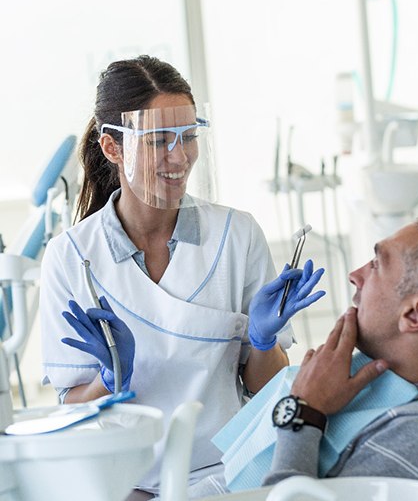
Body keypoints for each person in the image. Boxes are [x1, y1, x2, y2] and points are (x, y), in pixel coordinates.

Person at [39, 55, 325, 500]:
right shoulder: (70, 257)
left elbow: (264, 387)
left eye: (188, 137)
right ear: (113, 147)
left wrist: (264, 342)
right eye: (158, 141)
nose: (179, 156)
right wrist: (109, 381)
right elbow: (71, 411)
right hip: (122, 480)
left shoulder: (237, 234)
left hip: (225, 473)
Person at [187, 214, 418, 497]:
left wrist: (304, 413)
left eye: (376, 265)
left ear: (415, 315)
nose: (355, 275)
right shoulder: (385, 385)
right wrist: (263, 342)